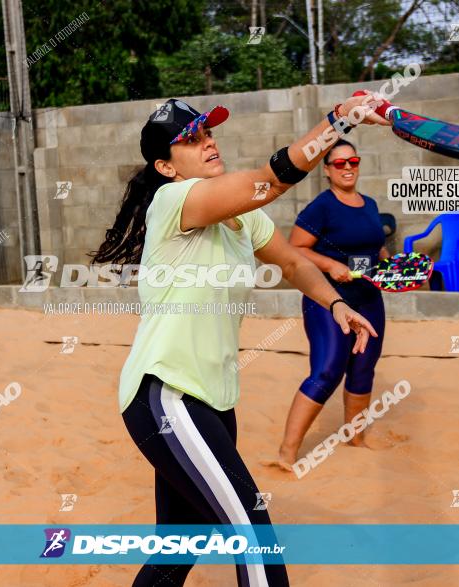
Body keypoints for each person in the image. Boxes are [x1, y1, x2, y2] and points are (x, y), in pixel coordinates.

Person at [92, 96, 389, 586]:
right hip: (167, 395)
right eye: (190, 138)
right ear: (165, 166)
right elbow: (271, 182)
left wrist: (335, 303)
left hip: (214, 402)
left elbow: (293, 263)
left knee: (177, 550)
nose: (207, 141)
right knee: (254, 539)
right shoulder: (174, 202)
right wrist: (338, 122)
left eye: (207, 132)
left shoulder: (242, 219)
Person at [275, 139, 390, 470]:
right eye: (339, 163)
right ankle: (286, 452)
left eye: (353, 160)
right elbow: (295, 248)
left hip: (369, 297)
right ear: (327, 170)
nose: (348, 167)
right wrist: (330, 266)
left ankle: (355, 438)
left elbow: (376, 249)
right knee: (327, 370)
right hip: (327, 299)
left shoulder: (369, 204)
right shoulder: (321, 207)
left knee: (364, 366)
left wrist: (395, 268)